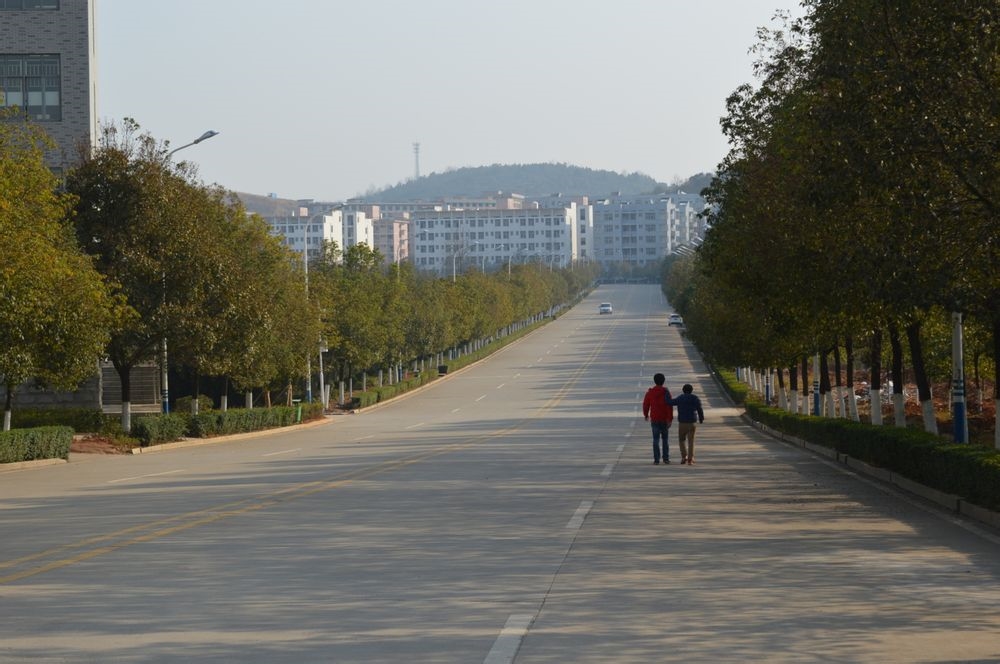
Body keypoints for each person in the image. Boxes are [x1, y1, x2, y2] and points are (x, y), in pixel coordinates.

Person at [667, 383, 704, 464]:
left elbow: (670, 402)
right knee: (691, 441)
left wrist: (666, 394)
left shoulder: (680, 398)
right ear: (691, 390)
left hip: (682, 423)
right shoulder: (695, 398)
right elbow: (700, 409)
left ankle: (684, 457)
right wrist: (701, 419)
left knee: (681, 440)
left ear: (683, 390)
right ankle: (690, 459)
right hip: (692, 422)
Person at [642, 373, 674, 464]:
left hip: (655, 419)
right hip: (664, 419)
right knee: (665, 439)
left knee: (655, 439)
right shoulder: (666, 392)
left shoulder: (650, 392)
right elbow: (669, 406)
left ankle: (656, 460)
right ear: (663, 381)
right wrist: (670, 419)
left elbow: (645, 405)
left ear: (654, 381)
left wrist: (646, 415)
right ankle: (666, 458)